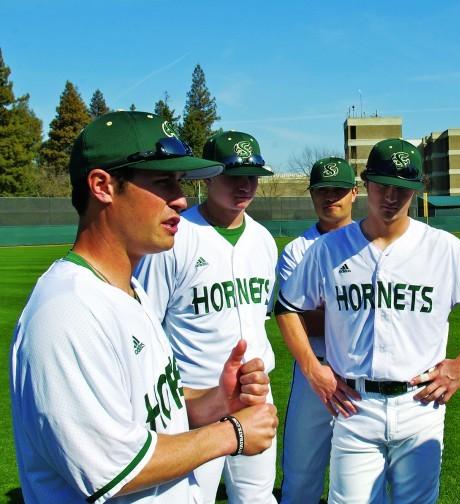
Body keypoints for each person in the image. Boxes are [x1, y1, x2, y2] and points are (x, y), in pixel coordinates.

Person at [9, 111, 278, 503]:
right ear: (102, 186)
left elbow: (153, 411)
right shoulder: (67, 312)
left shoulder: (129, 290)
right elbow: (113, 468)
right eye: (163, 182)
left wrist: (218, 402)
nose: (181, 199)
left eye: (180, 182)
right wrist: (230, 433)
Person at [275, 138, 460, 504]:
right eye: (382, 184)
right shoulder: (328, 248)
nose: (390, 196)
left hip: (419, 404)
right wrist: (312, 369)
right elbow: (287, 306)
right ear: (366, 183)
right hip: (354, 406)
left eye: (402, 188)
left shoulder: (443, 248)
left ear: (418, 189)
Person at [134, 130, 278, 503]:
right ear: (208, 176)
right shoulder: (174, 238)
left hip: (256, 394)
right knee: (188, 497)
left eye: (252, 176)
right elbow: (146, 324)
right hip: (192, 400)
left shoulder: (263, 239)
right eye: (233, 175)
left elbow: (260, 314)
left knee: (258, 497)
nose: (245, 185)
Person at [277, 156, 359, 503]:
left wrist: (327, 307)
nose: (330, 197)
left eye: (338, 189)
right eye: (322, 190)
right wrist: (359, 311)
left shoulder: (372, 242)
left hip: (362, 372)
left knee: (359, 477)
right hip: (314, 366)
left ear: (354, 193)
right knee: (301, 474)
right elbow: (298, 317)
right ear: (311, 195)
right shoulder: (297, 250)